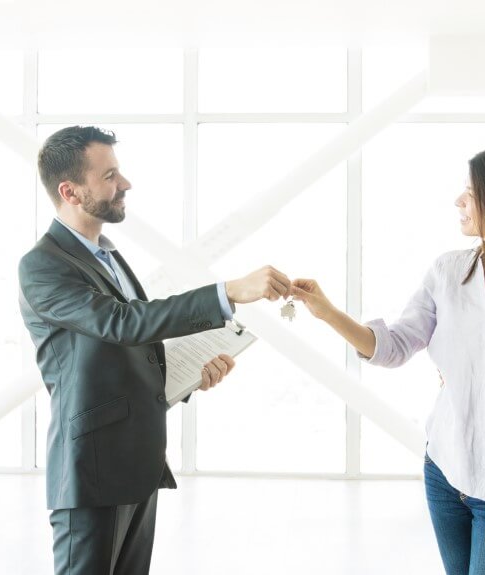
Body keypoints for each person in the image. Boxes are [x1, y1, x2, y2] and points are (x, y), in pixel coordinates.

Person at [17, 126, 292, 575]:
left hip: (137, 464)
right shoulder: (43, 266)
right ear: (69, 191)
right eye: (109, 176)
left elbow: (125, 350)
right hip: (91, 473)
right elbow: (122, 323)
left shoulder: (108, 255)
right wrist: (227, 292)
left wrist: (185, 379)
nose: (124, 184)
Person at [291, 142, 485, 575]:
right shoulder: (447, 272)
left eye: (471, 192)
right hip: (445, 470)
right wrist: (328, 313)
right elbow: (393, 347)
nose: (459, 201)